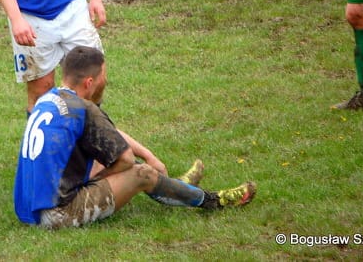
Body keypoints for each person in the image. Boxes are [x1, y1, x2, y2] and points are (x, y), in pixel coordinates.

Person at [14, 46, 256, 229]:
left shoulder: (48, 98)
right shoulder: (85, 109)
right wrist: (100, 179)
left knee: (113, 159)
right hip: (56, 215)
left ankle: (178, 188)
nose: (105, 80)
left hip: (28, 208)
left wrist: (149, 154)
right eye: (103, 76)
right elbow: (126, 160)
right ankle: (214, 201)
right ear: (90, 82)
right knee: (141, 173)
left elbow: (110, 135)